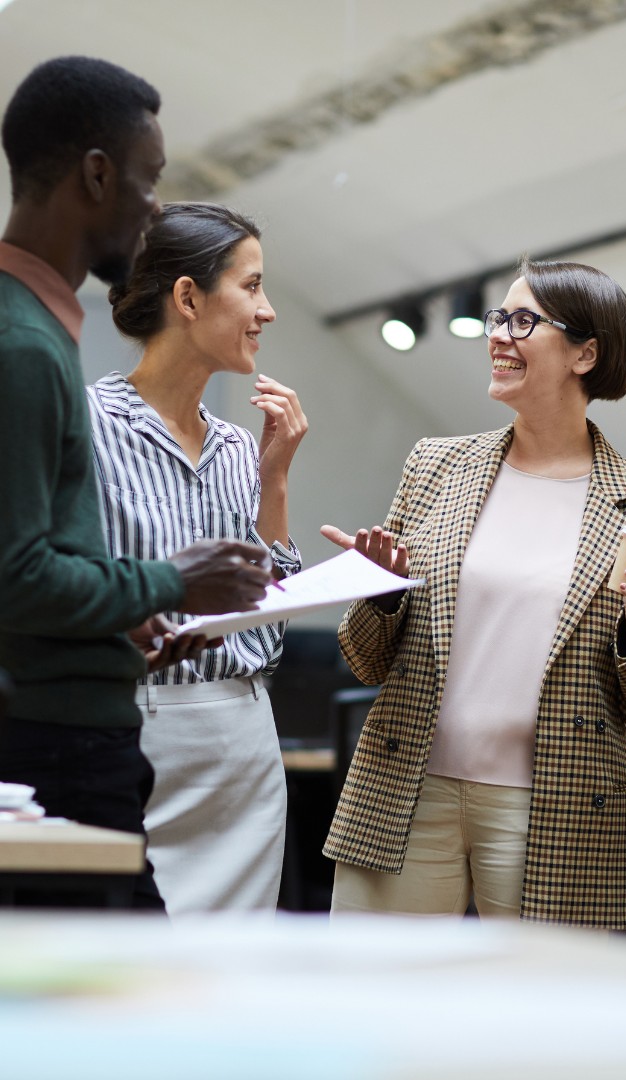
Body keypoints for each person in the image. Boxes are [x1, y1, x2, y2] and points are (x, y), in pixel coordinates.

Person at [321, 258, 626, 928]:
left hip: (554, 806)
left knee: (538, 1024)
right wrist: (379, 595)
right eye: (499, 317)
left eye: (525, 321)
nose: (499, 335)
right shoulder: (435, 466)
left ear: (587, 353)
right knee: (372, 1002)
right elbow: (365, 660)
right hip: (407, 787)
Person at [0, 56, 271, 909]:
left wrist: (133, 610)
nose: (154, 208)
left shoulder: (38, 332)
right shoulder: (24, 347)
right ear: (95, 174)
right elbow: (16, 574)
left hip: (117, 734)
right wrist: (171, 581)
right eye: (148, 181)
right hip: (64, 746)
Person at [86, 202, 308, 915]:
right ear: (188, 297)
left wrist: (274, 482)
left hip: (243, 748)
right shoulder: (86, 426)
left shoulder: (243, 448)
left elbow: (267, 638)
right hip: (130, 737)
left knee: (231, 985)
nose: (267, 310)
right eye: (252, 286)